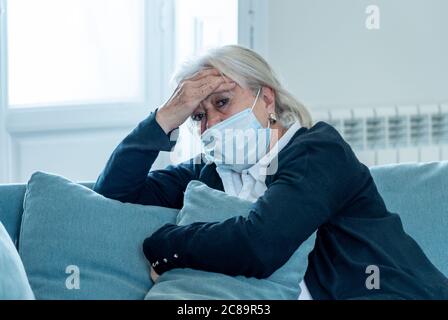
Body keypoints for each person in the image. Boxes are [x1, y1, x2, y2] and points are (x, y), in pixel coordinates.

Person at [93, 45, 448, 299]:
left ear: (267, 100)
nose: (211, 124)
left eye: (222, 102)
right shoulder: (209, 175)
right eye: (197, 116)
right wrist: (165, 117)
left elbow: (260, 244)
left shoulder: (317, 150)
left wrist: (166, 244)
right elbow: (114, 196)